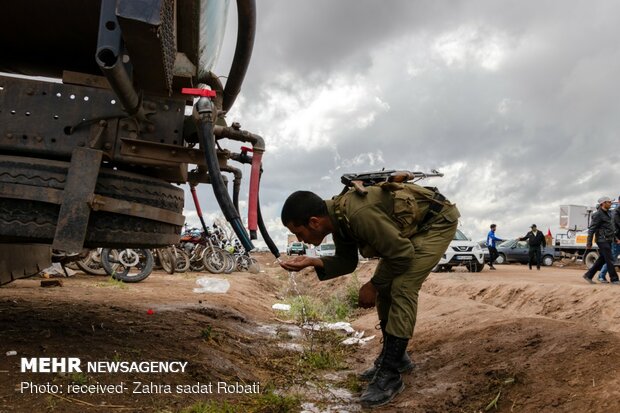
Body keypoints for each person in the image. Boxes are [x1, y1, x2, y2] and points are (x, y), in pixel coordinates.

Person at [279, 183, 459, 408]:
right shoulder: (338, 219)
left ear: (314, 222)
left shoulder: (357, 214)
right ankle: (395, 358)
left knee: (402, 287)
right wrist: (313, 261)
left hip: (436, 223)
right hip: (412, 232)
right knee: (386, 285)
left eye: (298, 232)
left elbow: (402, 253)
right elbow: (347, 261)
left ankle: (390, 374)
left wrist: (372, 285)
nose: (299, 239)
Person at [583, 196, 620, 285]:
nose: (610, 203)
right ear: (603, 203)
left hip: (609, 239)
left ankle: (588, 275)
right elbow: (591, 229)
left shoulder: (609, 213)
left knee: (602, 259)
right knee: (610, 259)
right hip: (601, 240)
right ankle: (614, 279)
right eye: (609, 202)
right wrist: (589, 242)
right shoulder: (598, 215)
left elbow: (611, 228)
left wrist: (615, 238)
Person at [597, 195, 620, 283]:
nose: (610, 203)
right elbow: (614, 226)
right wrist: (616, 238)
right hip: (617, 239)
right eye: (609, 202)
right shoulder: (616, 212)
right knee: (612, 259)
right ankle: (601, 275)